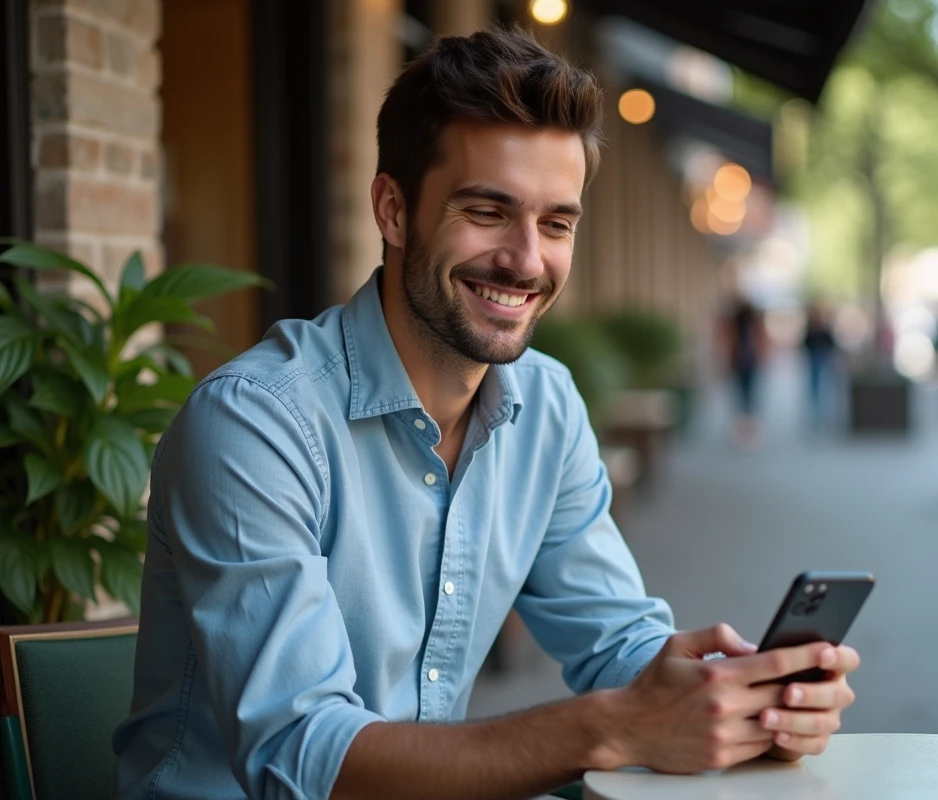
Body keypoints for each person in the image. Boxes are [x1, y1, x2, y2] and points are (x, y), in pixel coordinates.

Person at [113, 29, 860, 800]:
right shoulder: (254, 426)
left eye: (557, 224)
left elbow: (615, 641)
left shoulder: (547, 406)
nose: (527, 260)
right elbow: (302, 757)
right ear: (393, 210)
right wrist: (614, 727)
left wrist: (731, 696)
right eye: (488, 210)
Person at [723, 296, 770, 448]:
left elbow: (762, 340)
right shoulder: (737, 324)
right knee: (745, 395)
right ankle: (746, 429)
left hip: (747, 362)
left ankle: (747, 429)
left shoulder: (751, 324)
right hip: (742, 362)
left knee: (747, 395)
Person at [802, 302, 838, 428]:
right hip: (814, 360)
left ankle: (823, 412)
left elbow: (831, 343)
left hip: (823, 360)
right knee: (815, 386)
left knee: (824, 386)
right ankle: (816, 412)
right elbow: (805, 343)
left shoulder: (824, 327)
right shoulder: (810, 327)